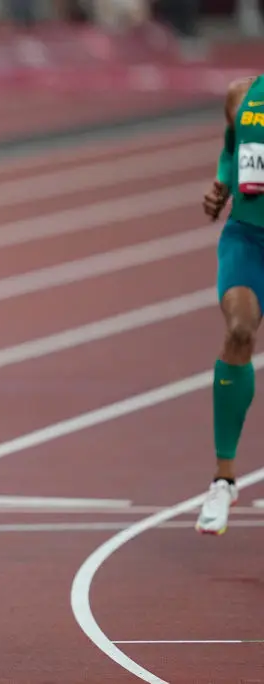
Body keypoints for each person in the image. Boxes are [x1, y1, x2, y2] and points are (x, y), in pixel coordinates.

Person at [198, 75, 263, 535]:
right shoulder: (242, 96)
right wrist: (221, 184)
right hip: (247, 239)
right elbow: (231, 149)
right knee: (239, 330)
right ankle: (223, 480)